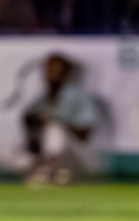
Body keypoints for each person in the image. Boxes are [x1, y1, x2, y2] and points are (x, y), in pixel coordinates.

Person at [18, 54, 100, 185]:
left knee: (54, 129)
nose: (52, 74)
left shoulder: (76, 95)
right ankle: (46, 169)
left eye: (57, 70)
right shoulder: (44, 98)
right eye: (49, 70)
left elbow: (85, 134)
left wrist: (58, 121)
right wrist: (39, 122)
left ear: (67, 73)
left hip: (76, 154)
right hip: (45, 153)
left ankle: (51, 170)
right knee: (6, 151)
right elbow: (28, 118)